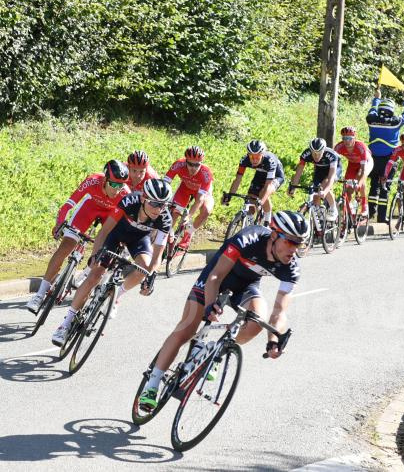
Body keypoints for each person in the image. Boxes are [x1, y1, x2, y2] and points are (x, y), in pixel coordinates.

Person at [136, 211, 308, 412]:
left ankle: (217, 350)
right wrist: (210, 305)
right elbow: (216, 276)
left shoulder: (292, 268)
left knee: (258, 320)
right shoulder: (248, 239)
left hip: (247, 285)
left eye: (300, 244)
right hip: (216, 277)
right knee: (187, 327)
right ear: (274, 235)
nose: (294, 250)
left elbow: (279, 312)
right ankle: (153, 384)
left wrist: (274, 340)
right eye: (291, 242)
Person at [51, 179, 173, 344]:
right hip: (115, 234)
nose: (159, 209)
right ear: (143, 198)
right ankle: (65, 324)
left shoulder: (165, 218)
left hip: (138, 240)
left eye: (163, 205)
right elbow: (104, 231)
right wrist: (95, 255)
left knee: (144, 269)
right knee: (94, 276)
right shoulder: (129, 202)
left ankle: (115, 295)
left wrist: (152, 275)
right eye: (154, 203)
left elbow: (158, 254)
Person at [25, 161, 131, 313]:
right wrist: (59, 223)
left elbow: (127, 221)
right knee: (65, 247)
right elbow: (69, 203)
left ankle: (87, 271)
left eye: (121, 185)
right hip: (89, 209)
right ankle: (39, 294)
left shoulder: (125, 193)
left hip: (110, 215)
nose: (117, 189)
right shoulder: (93, 180)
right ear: (105, 179)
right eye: (114, 185)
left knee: (105, 249)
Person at [366, 88, 404, 222]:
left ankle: (370, 214)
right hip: (389, 160)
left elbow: (373, 109)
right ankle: (382, 217)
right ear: (392, 110)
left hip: (373, 158)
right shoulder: (395, 122)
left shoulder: (371, 120)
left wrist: (377, 98)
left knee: (374, 185)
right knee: (385, 186)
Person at [222, 140, 285, 227]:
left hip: (276, 176)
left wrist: (261, 202)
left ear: (262, 154)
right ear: (248, 155)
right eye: (252, 157)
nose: (254, 160)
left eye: (257, 157)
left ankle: (267, 221)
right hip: (260, 173)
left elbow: (268, 185)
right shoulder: (244, 160)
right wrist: (230, 195)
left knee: (263, 193)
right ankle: (250, 224)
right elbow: (238, 179)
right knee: (251, 198)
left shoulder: (270, 161)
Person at [165, 146, 214, 249]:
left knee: (206, 210)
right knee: (174, 211)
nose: (193, 168)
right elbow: (165, 183)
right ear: (185, 161)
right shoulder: (179, 164)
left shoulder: (206, 173)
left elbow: (200, 199)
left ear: (201, 163)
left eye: (197, 165)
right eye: (190, 164)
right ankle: (166, 236)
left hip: (201, 191)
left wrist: (189, 216)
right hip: (185, 187)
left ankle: (189, 233)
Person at [288, 138, 340, 221]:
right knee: (316, 195)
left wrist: (325, 192)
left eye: (319, 153)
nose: (316, 156)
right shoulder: (306, 154)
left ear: (323, 150)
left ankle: (333, 209)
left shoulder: (331, 155)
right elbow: (298, 172)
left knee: (324, 185)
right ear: (310, 151)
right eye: (313, 153)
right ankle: (319, 219)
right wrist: (293, 187)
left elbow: (330, 178)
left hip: (334, 168)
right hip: (319, 169)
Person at [333, 126, 374, 220]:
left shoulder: (360, 147)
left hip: (366, 163)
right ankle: (348, 208)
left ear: (354, 138)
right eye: (344, 138)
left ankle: (364, 205)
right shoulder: (339, 147)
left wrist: (358, 184)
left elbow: (363, 170)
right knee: (348, 187)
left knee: (359, 178)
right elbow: (333, 164)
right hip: (352, 163)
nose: (346, 141)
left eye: (349, 138)